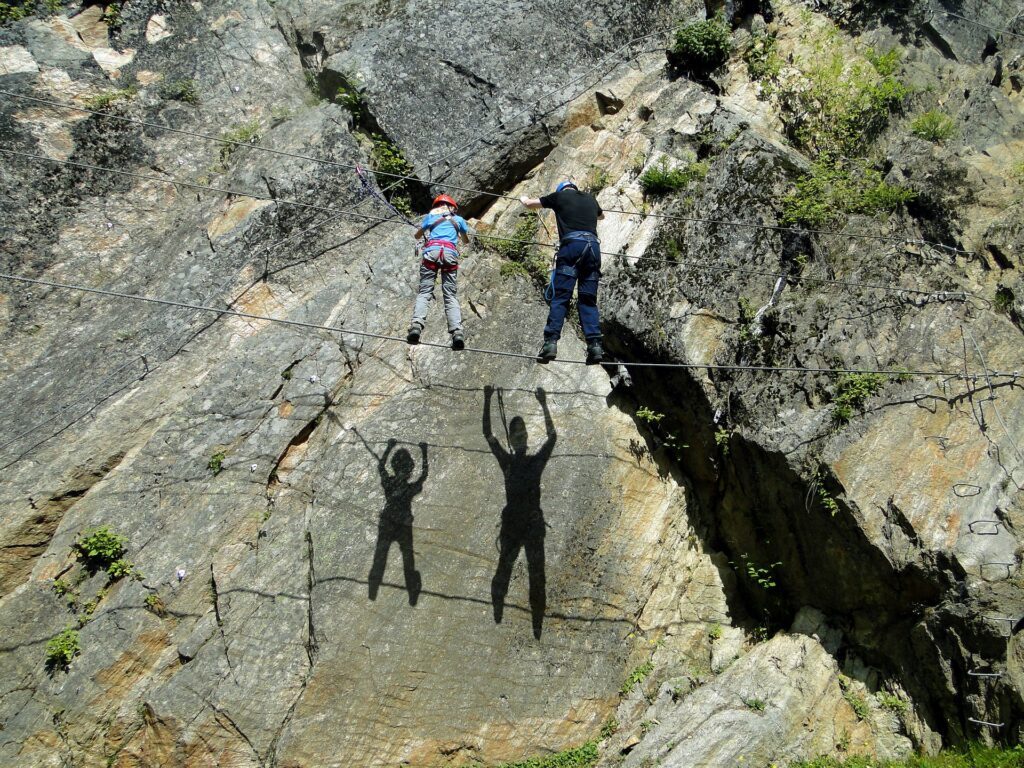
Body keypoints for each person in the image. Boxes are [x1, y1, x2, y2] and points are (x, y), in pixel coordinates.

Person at [483, 385, 556, 639]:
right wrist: (487, 399)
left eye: (522, 432)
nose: (520, 436)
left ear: (525, 436)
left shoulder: (533, 462)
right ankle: (497, 609)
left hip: (531, 524)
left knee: (538, 573)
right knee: (505, 566)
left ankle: (537, 622)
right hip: (514, 523)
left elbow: (552, 437)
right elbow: (488, 435)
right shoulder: (508, 463)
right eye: (516, 434)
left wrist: (544, 404)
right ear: (512, 440)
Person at [520, 181, 604, 364]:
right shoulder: (590, 199)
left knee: (561, 297)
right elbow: (601, 216)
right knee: (588, 299)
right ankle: (595, 345)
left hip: (572, 248)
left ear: (562, 190)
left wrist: (524, 199)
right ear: (574, 188)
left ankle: (550, 343)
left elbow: (530, 205)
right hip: (593, 250)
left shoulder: (559, 197)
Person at [408, 194, 472, 350]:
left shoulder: (431, 216)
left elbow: (417, 235)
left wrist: (424, 233)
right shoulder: (458, 220)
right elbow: (465, 241)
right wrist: (457, 232)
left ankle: (416, 326)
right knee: (450, 295)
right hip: (449, 254)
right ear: (452, 208)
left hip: (432, 252)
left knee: (425, 292)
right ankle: (457, 332)